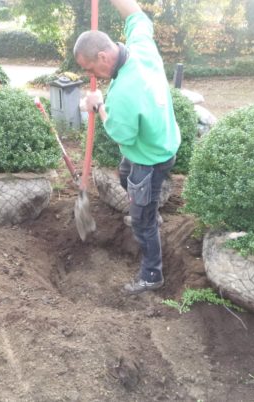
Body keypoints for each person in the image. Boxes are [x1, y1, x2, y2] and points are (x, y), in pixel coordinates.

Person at [75, 0, 180, 295]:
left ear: (103, 56)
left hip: (150, 157)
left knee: (142, 223)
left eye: (90, 67)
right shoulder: (140, 47)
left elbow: (122, 137)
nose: (91, 74)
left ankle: (151, 275)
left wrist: (98, 106)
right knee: (125, 174)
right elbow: (136, 15)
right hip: (163, 141)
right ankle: (145, 205)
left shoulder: (123, 92)